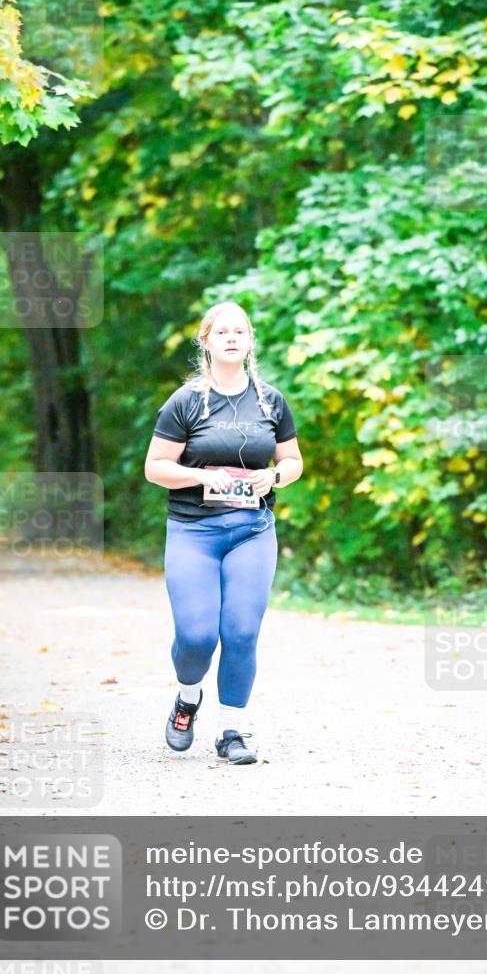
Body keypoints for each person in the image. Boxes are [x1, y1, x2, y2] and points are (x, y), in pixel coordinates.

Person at [144, 301, 304, 765]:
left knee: (240, 632)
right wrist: (199, 477)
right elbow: (156, 468)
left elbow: (291, 461)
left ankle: (232, 730)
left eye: (240, 331)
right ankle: (187, 697)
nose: (232, 338)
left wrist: (274, 477)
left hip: (252, 531)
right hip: (194, 530)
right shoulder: (186, 401)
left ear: (250, 341)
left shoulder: (271, 401)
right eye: (222, 332)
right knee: (196, 636)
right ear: (207, 342)